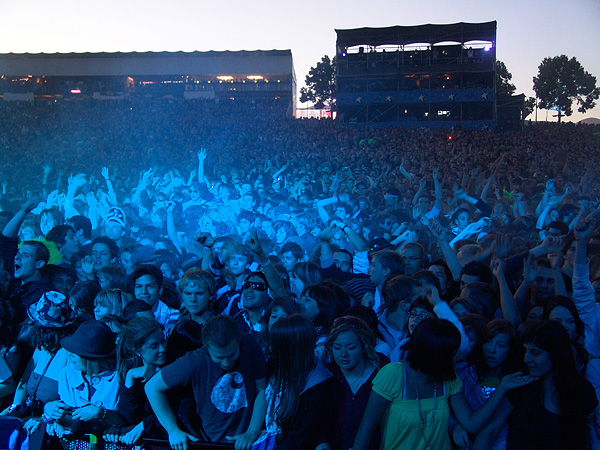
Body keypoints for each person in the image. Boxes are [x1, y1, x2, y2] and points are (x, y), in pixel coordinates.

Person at [352, 318, 534, 450]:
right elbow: (366, 427)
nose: (459, 357)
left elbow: (472, 424)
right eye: (454, 352)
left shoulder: (449, 377)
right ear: (436, 353)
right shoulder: (394, 374)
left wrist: (502, 388)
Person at [145, 315, 267, 448]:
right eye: (219, 357)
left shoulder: (249, 344)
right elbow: (152, 387)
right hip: (212, 443)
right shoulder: (195, 360)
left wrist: (252, 431)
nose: (226, 363)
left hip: (249, 442)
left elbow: (262, 390)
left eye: (231, 355)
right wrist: (173, 430)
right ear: (207, 348)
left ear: (238, 342)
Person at [476, 320, 598, 450]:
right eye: (525, 351)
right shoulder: (521, 385)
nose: (526, 359)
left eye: (535, 353)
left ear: (555, 354)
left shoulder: (582, 391)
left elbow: (588, 437)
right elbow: (489, 432)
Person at [234, 314, 333, 450]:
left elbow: (296, 441)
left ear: (289, 348)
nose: (271, 348)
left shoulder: (316, 388)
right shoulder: (280, 364)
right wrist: (252, 432)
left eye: (276, 344)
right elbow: (265, 394)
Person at [42, 320, 122, 437]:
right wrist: (49, 412)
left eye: (77, 352)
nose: (70, 355)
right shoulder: (66, 373)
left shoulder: (119, 377)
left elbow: (127, 418)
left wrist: (102, 414)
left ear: (91, 358)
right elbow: (66, 419)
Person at [319, 316, 382, 450]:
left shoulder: (381, 376)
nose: (343, 354)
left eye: (351, 347)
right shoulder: (327, 377)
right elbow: (318, 422)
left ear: (363, 346)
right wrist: (322, 444)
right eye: (337, 347)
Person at [110, 317, 166, 445]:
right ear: (137, 350)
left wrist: (144, 425)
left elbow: (179, 410)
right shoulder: (131, 370)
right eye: (154, 346)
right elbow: (128, 418)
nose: (162, 349)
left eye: (163, 341)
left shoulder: (174, 368)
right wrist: (130, 379)